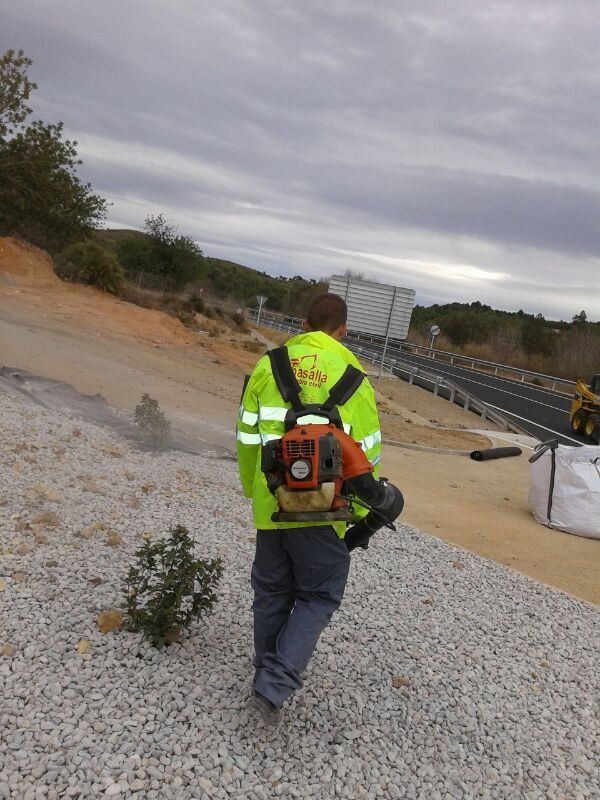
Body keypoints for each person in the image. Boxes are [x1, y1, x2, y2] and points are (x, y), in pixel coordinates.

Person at [236, 293, 382, 725]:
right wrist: (357, 517)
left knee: (271, 593)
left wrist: (255, 493)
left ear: (303, 324)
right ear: (343, 331)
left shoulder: (269, 366)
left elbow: (246, 438)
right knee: (319, 594)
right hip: (327, 511)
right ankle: (273, 686)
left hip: (272, 505)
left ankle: (266, 672)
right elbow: (368, 457)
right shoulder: (356, 378)